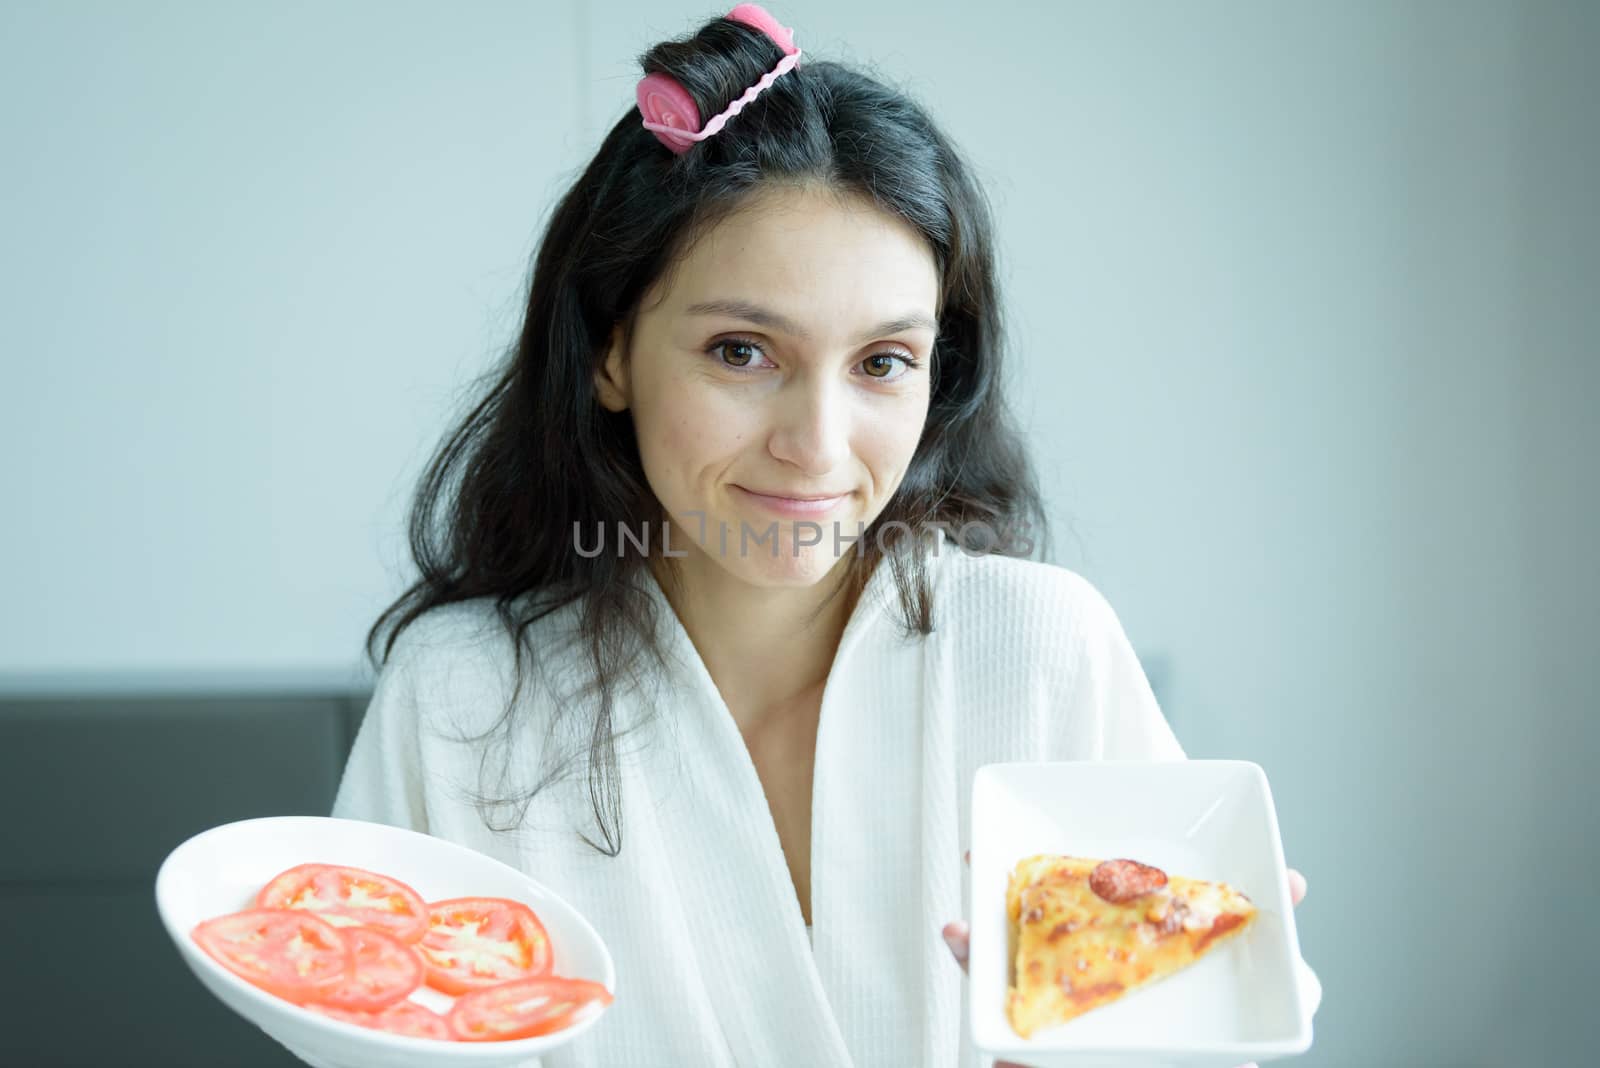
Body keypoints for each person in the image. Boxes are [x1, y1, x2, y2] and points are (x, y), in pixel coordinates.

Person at [330, 5, 1320, 1066]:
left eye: (882, 362)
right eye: (741, 351)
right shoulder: (463, 699)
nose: (815, 446)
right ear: (609, 352)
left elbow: (1190, 1022)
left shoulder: (1041, 653)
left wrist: (1179, 1024)